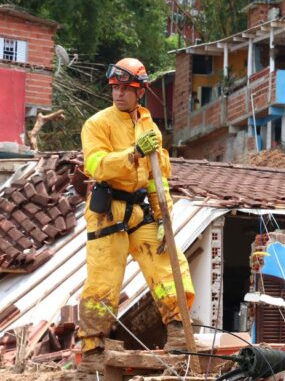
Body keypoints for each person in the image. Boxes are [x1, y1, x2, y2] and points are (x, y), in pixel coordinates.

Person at [77, 58, 194, 373]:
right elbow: (96, 165)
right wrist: (133, 154)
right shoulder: (97, 124)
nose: (119, 94)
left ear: (140, 92)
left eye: (127, 89)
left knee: (170, 266)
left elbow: (159, 175)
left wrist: (163, 216)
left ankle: (179, 337)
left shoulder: (148, 125)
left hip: (142, 209)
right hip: (109, 210)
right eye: (116, 88)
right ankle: (91, 352)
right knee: (103, 280)